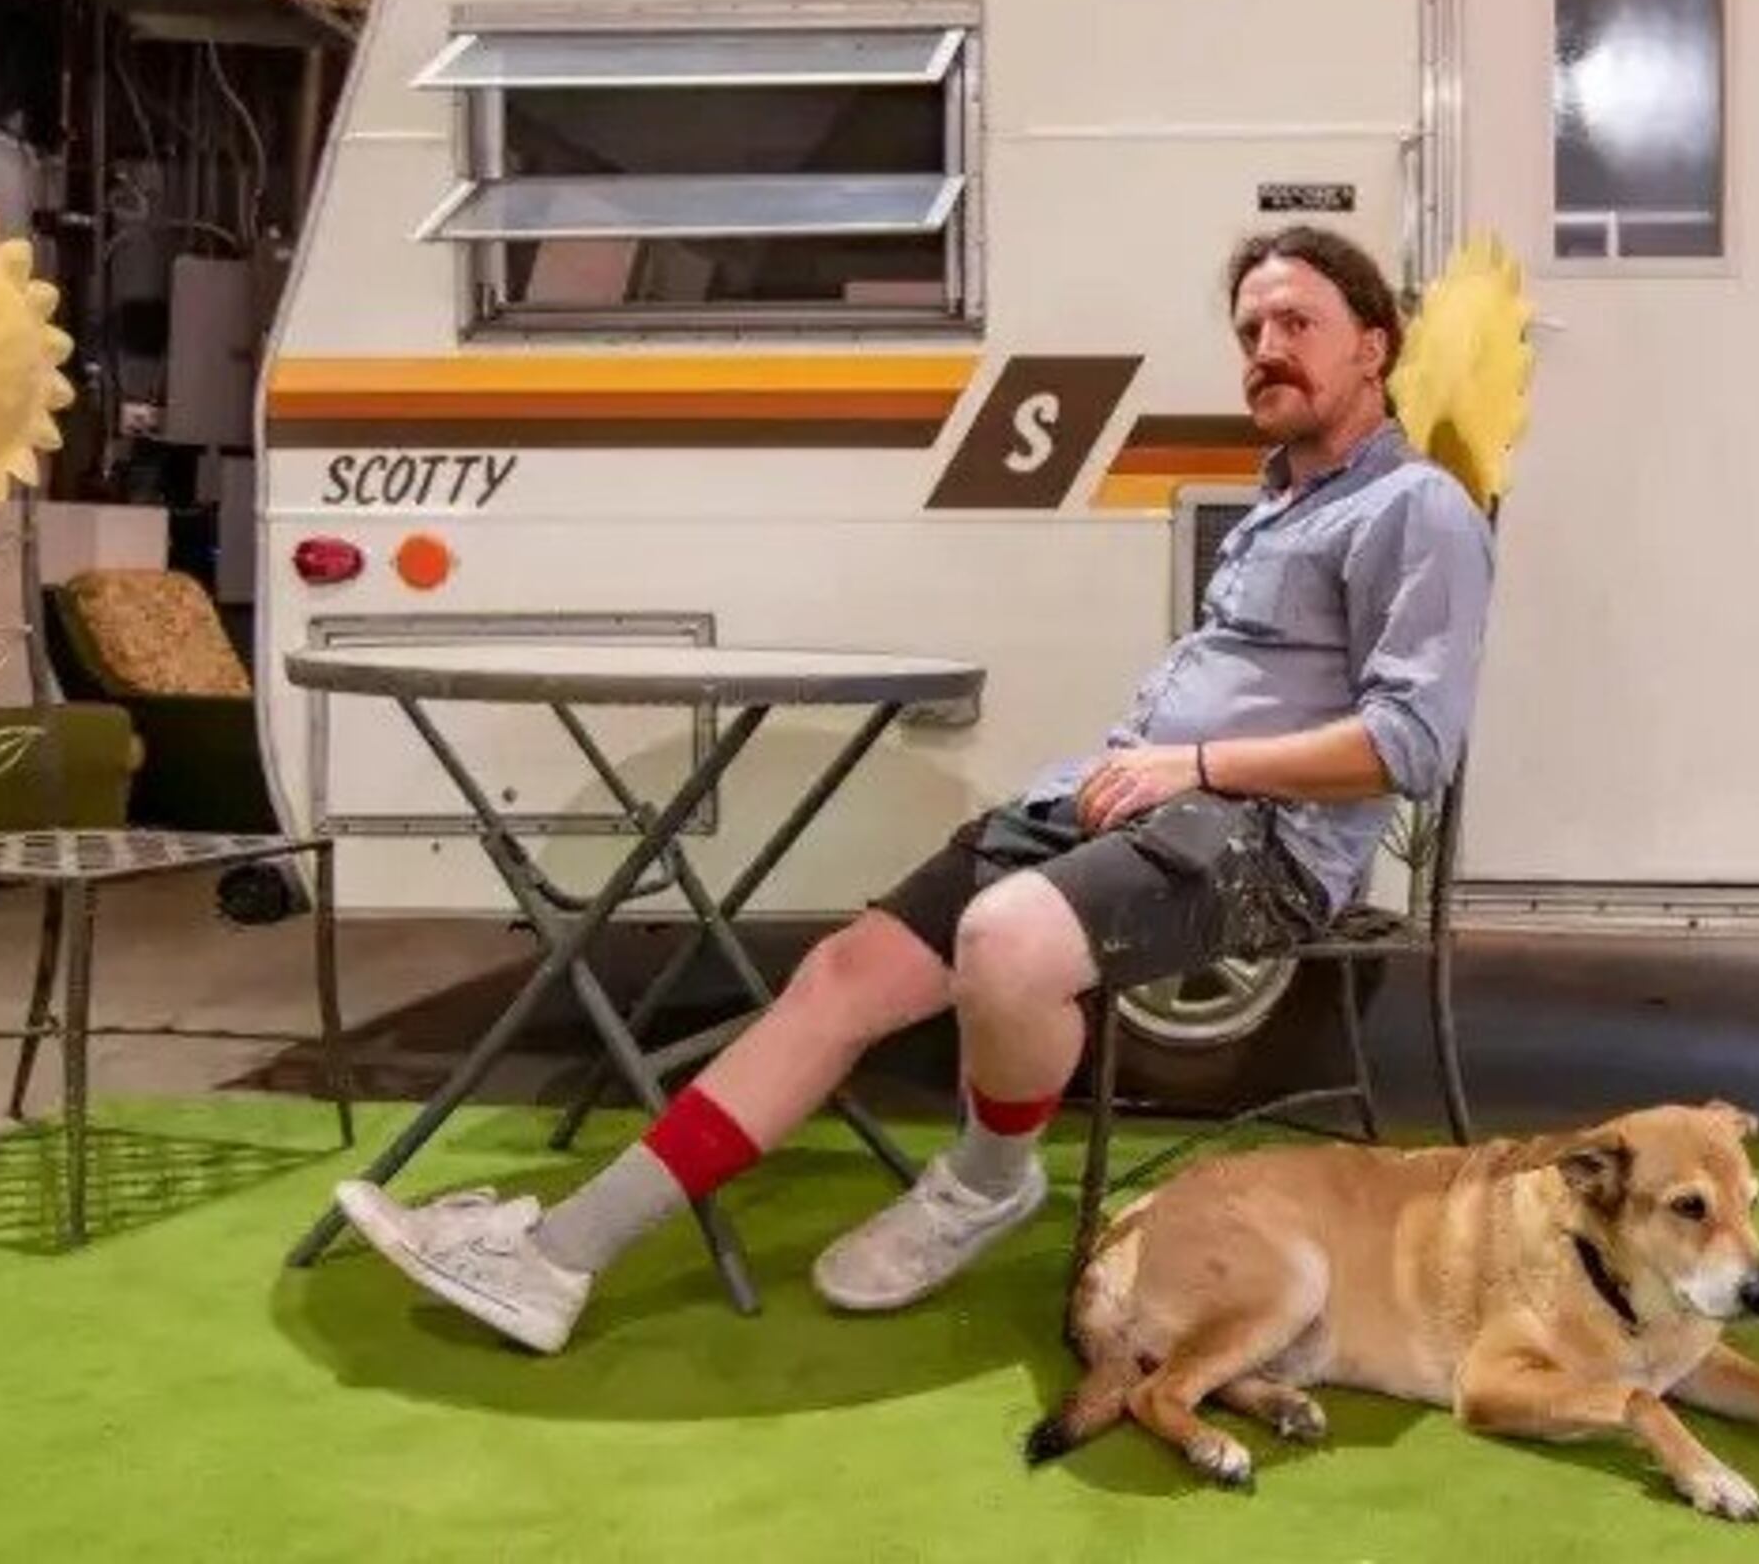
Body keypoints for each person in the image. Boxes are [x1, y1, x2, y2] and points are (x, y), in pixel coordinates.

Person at [334, 223, 1497, 1353]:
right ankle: (559, 1257)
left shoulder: (1417, 509)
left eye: (1297, 321)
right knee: (842, 973)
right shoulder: (1278, 503)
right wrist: (1141, 770)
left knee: (1005, 942)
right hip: (1123, 803)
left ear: (1374, 347)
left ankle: (989, 1183)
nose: (1264, 347)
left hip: (1267, 848)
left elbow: (1410, 743)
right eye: (1248, 328)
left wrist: (1188, 762)